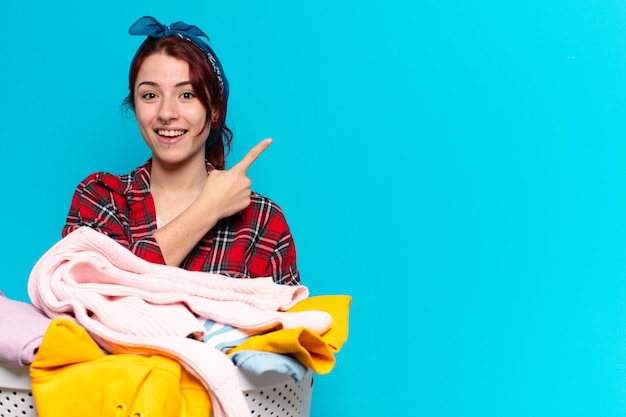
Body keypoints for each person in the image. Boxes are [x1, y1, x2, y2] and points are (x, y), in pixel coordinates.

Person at [62, 16, 300, 286]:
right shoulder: (101, 197)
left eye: (187, 95)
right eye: (150, 95)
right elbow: (87, 295)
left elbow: (291, 325)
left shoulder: (262, 220)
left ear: (214, 110)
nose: (166, 113)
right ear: (134, 107)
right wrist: (207, 209)